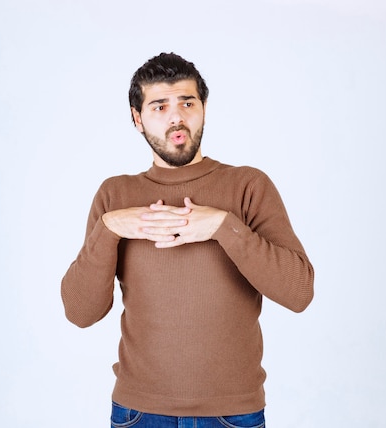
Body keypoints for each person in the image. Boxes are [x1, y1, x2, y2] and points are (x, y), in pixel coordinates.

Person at [61, 52, 314, 428]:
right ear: (137, 118)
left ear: (204, 108)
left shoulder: (248, 186)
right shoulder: (115, 196)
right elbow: (81, 313)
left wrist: (224, 227)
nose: (176, 116)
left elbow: (299, 293)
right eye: (159, 106)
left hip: (233, 414)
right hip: (138, 413)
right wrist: (109, 228)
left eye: (187, 102)